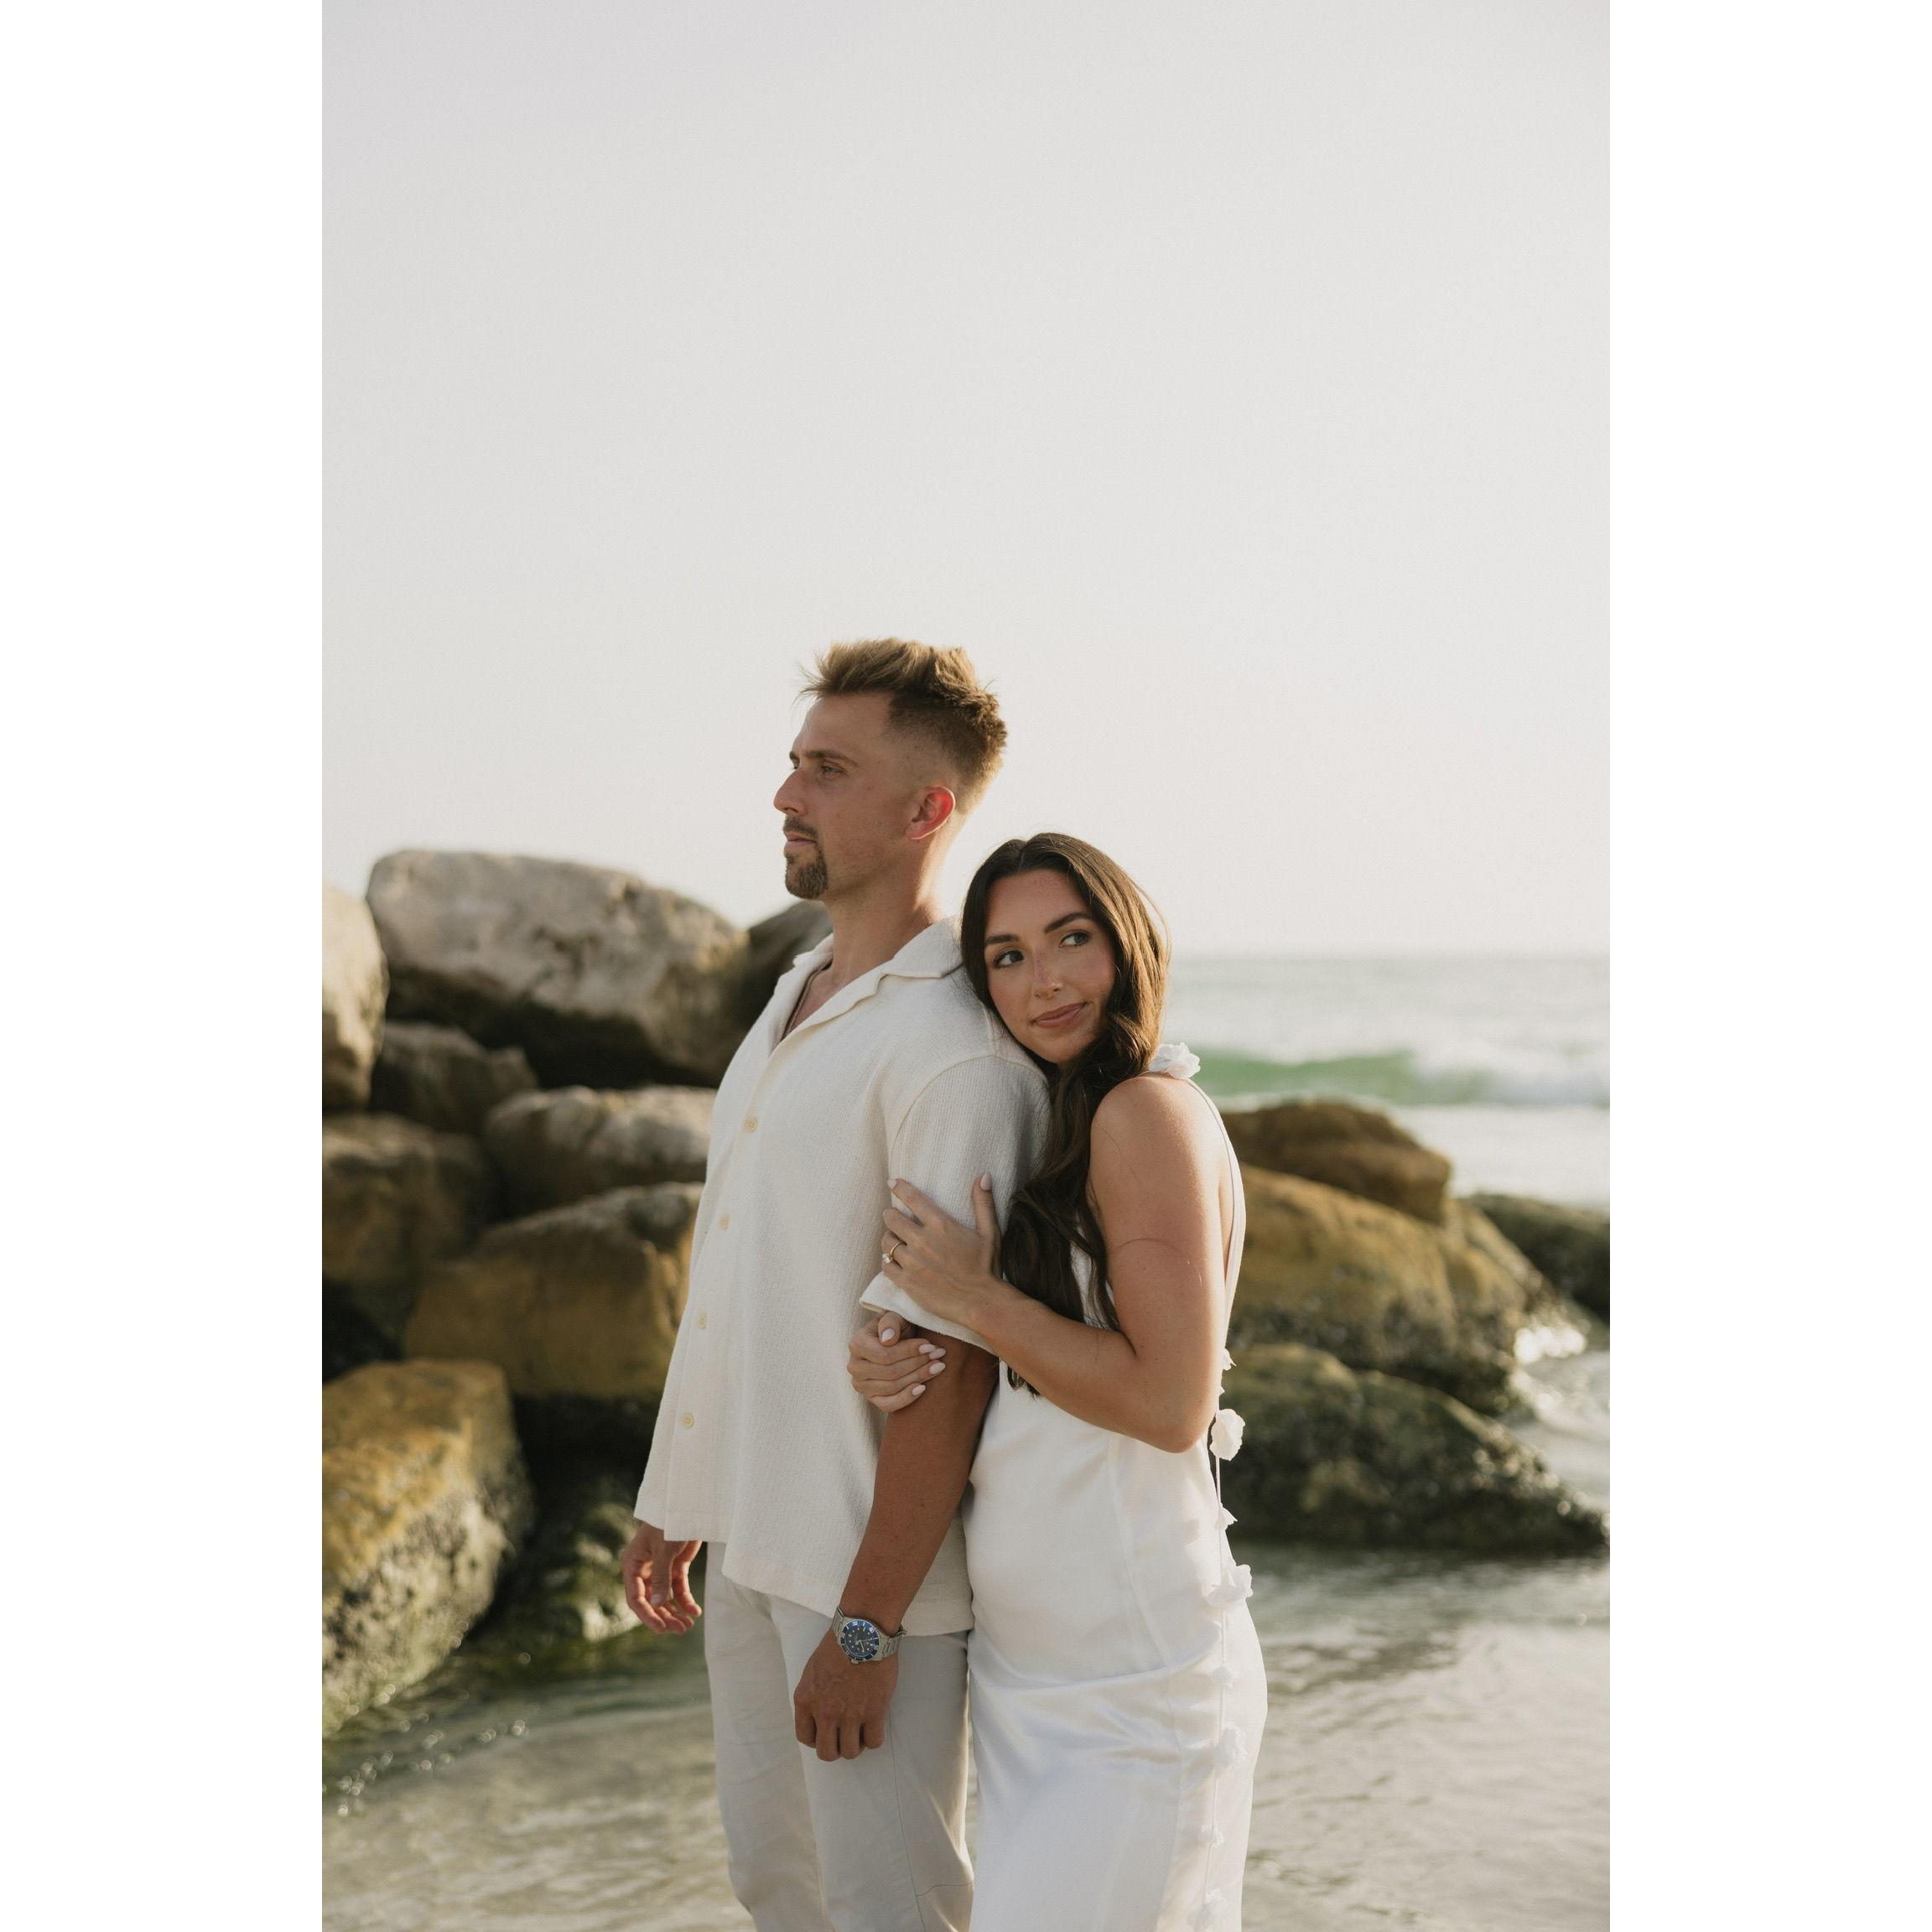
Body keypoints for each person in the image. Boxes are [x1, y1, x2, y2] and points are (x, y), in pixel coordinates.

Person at [619, 639, 1047, 1932]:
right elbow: (741, 1273)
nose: (785, 795)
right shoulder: (795, 995)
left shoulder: (954, 1046)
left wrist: (866, 1628)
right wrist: (675, 1500)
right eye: (795, 763)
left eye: (827, 770)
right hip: (752, 1541)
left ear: (927, 811)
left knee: (888, 1911)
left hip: (866, 1583)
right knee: (778, 1894)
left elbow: (950, 1358)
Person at [850, 831, 1268, 1932]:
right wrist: (896, 1354)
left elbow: (1169, 1404)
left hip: (1130, 1685)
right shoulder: (1069, 1125)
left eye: (1071, 939)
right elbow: (1044, 1375)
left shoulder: (1143, 1113)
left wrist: (975, 1296)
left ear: (1126, 943)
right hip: (1036, 1677)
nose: (1045, 981)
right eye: (1009, 956)